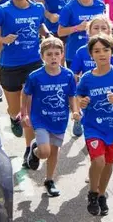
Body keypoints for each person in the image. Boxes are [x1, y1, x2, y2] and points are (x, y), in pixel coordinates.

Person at [0, 0, 49, 168]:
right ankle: (13, 117)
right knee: (15, 109)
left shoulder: (38, 8)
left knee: (28, 109)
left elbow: (40, 25)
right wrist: (2, 40)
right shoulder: (3, 11)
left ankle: (29, 149)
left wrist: (47, 35)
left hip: (34, 63)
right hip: (10, 66)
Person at [76, 33, 113, 216]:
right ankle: (92, 193)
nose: (102, 54)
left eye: (105, 50)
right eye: (97, 51)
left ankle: (101, 194)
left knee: (108, 163)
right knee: (98, 160)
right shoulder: (87, 78)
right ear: (91, 55)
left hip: (112, 127)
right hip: (93, 126)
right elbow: (79, 96)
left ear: (112, 52)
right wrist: (82, 103)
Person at [21, 38, 80, 196]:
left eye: (56, 54)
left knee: (54, 152)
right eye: (49, 54)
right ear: (42, 56)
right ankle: (35, 152)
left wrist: (75, 111)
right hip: (40, 119)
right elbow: (26, 94)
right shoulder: (35, 76)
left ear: (62, 55)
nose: (53, 57)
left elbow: (72, 95)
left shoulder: (68, 75)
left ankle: (49, 180)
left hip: (59, 119)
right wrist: (24, 113)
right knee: (45, 152)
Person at [58, 0, 106, 137]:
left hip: (98, 52)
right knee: (79, 87)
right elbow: (60, 31)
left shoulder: (100, 6)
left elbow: (106, 28)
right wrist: (77, 27)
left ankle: (95, 119)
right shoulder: (69, 8)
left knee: (95, 87)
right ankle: (78, 116)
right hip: (75, 54)